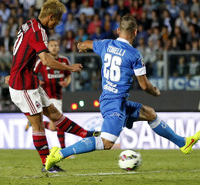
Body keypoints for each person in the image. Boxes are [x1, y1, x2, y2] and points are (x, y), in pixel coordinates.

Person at [45, 14, 200, 171]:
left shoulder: (106, 44)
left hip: (117, 101)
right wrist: (155, 92)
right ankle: (59, 154)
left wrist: (81, 46)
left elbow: (86, 44)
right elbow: (144, 85)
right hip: (114, 104)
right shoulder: (134, 55)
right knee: (106, 143)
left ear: (118, 30)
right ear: (135, 32)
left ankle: (183, 143)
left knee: (150, 113)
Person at [6, 0, 99, 173]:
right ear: (50, 17)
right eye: (57, 20)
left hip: (29, 79)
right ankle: (46, 164)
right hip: (22, 85)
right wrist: (69, 67)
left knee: (55, 114)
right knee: (39, 125)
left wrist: (15, 69)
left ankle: (84, 135)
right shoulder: (38, 32)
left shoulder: (30, 24)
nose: (58, 24)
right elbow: (47, 60)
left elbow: (19, 48)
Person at [25, 39, 71, 149]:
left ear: (59, 47)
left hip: (58, 96)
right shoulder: (42, 62)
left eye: (56, 45)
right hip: (45, 96)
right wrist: (38, 81)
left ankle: (33, 123)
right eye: (51, 46)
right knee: (59, 123)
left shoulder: (64, 60)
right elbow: (32, 73)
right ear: (48, 48)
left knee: (54, 126)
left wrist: (66, 82)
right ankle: (64, 150)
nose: (54, 47)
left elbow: (68, 75)